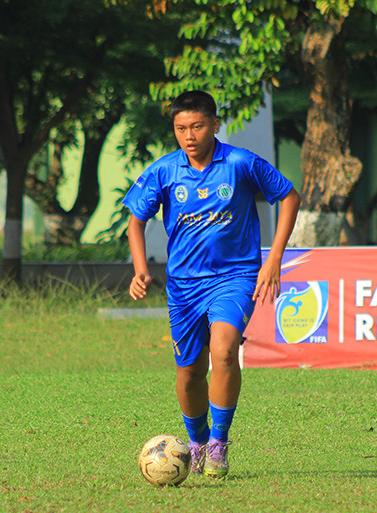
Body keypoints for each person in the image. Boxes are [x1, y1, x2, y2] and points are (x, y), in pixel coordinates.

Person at [122, 90, 301, 479]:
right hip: (184, 286)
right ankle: (198, 443)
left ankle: (218, 444)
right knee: (189, 374)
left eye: (197, 126)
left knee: (224, 351)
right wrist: (140, 269)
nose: (189, 136)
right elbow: (136, 221)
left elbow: (289, 197)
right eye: (181, 128)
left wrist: (273, 259)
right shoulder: (164, 171)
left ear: (215, 125)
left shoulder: (239, 163)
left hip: (234, 277)